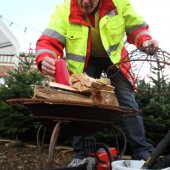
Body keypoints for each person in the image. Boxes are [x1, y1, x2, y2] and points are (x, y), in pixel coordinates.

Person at [35, 0, 158, 167]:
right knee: (80, 103)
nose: (85, 2)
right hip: (85, 63)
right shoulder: (65, 8)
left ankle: (143, 153)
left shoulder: (118, 3)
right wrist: (45, 59)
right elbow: (49, 40)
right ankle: (82, 155)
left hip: (115, 60)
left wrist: (144, 41)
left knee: (128, 103)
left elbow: (136, 27)